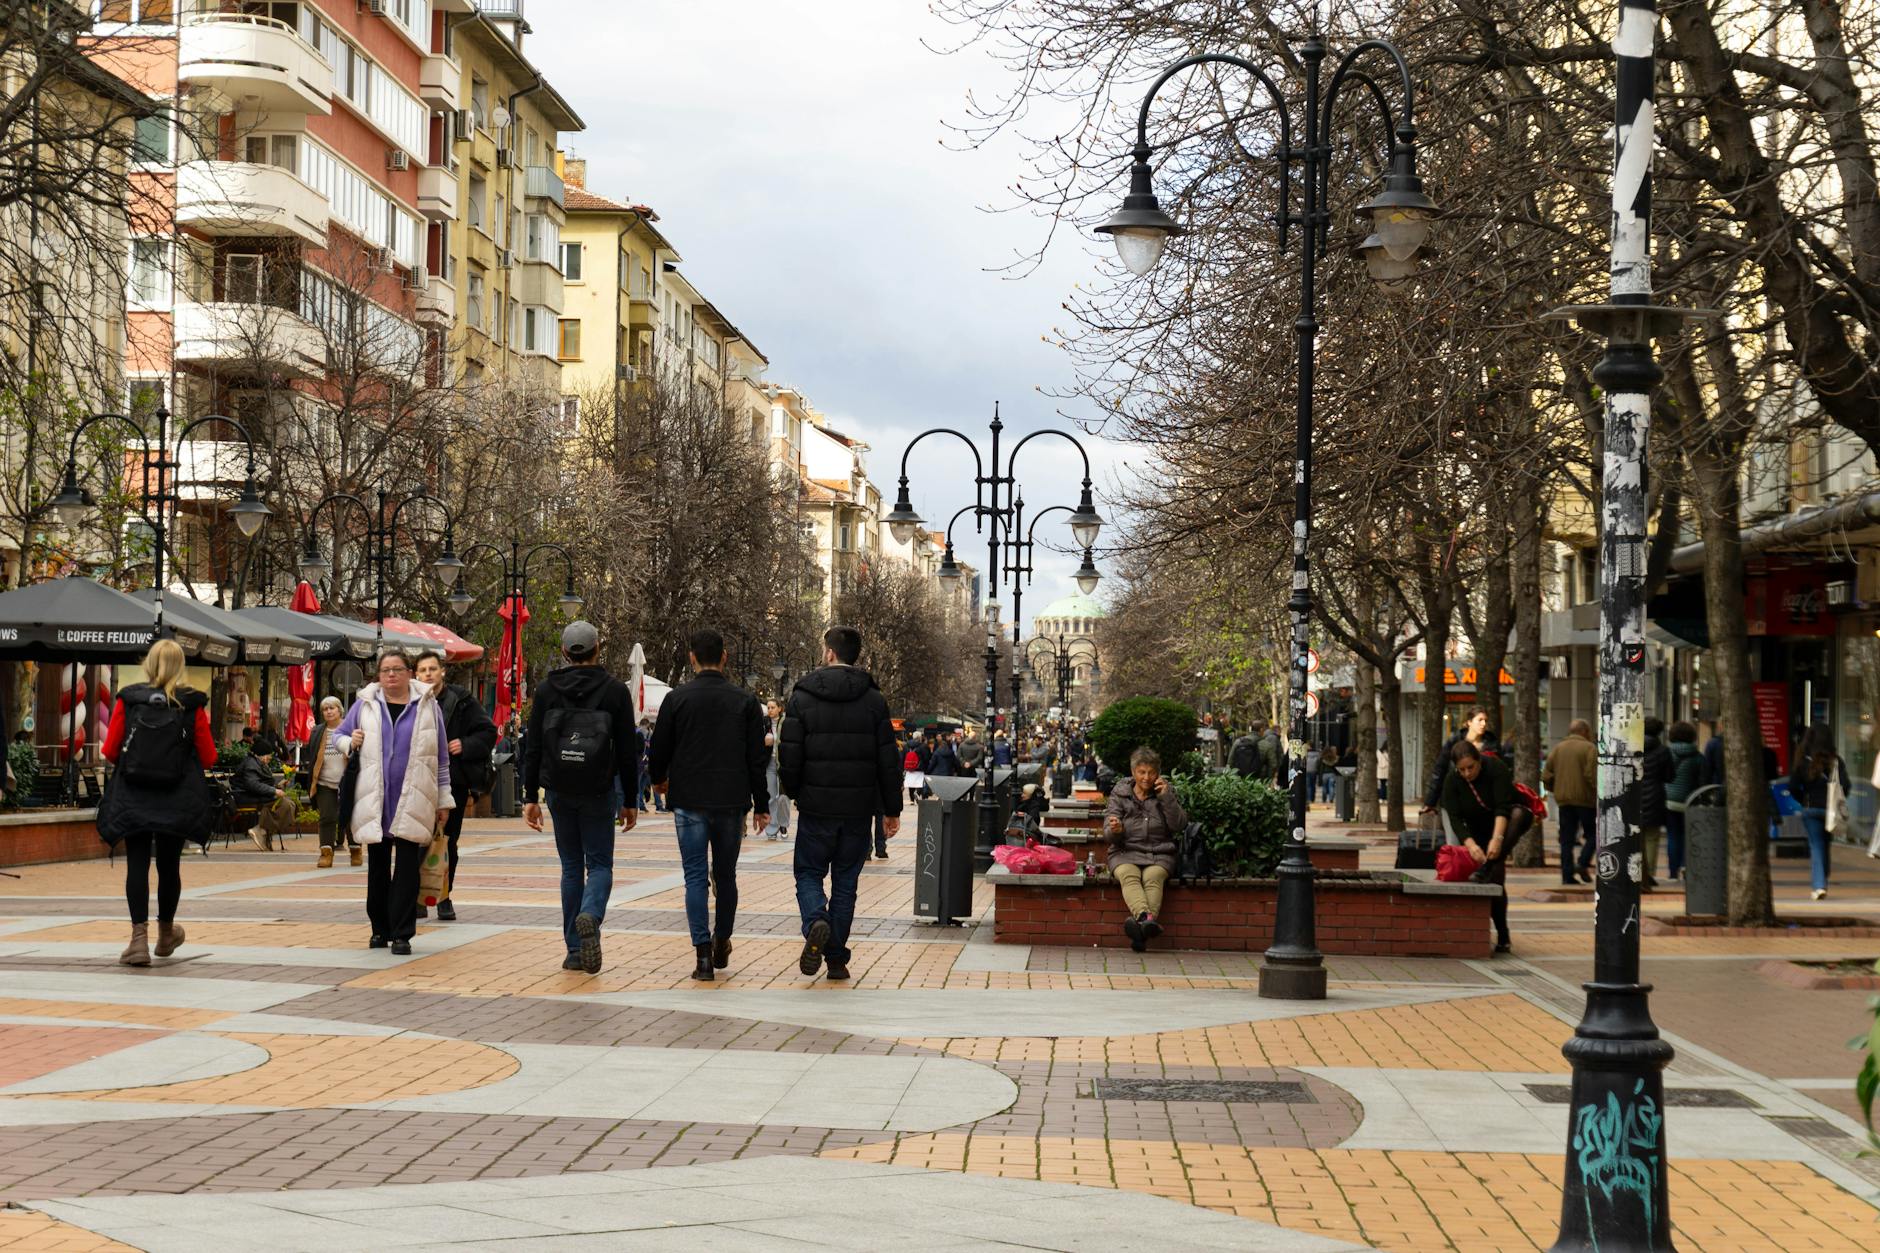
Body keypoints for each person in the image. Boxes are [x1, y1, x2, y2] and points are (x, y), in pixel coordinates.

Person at [778, 625, 902, 982]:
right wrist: (891, 809)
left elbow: (790, 754)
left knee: (808, 872)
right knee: (846, 883)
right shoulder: (874, 700)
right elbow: (886, 760)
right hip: (858, 810)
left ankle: (816, 918)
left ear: (830, 653)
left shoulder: (802, 697)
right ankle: (835, 958)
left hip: (817, 806)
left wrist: (794, 790)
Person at [648, 629, 768, 981]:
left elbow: (660, 748)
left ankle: (701, 955)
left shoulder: (677, 699)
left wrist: (658, 780)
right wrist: (761, 804)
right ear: (725, 657)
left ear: (692, 658)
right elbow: (755, 759)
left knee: (695, 877)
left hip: (688, 798)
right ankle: (722, 939)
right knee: (726, 876)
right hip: (731, 800)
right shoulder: (745, 702)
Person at [523, 622, 640, 972]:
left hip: (559, 789)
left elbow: (534, 747)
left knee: (571, 867)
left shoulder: (546, 690)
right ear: (597, 649)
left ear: (563, 652)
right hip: (598, 789)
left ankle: (575, 950)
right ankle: (590, 914)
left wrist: (530, 795)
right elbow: (627, 752)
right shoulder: (615, 691)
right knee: (600, 864)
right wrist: (630, 800)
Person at [98, 639, 217, 966]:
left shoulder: (129, 699)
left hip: (134, 795)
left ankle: (138, 941)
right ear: (180, 667)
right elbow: (208, 756)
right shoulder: (191, 704)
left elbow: (109, 751)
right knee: (169, 865)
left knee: (137, 863)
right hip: (176, 797)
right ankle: (166, 934)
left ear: (149, 663)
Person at [333, 650, 452, 956]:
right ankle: (379, 929)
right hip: (375, 798)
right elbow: (339, 735)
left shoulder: (428, 706)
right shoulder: (365, 704)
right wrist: (350, 742)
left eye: (397, 670)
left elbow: (441, 758)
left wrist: (444, 799)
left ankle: (402, 934)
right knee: (378, 866)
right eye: (385, 670)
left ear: (409, 673)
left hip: (415, 795)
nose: (390, 676)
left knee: (408, 868)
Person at [413, 652, 496, 921]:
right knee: (417, 841)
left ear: (442, 672)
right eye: (422, 669)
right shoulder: (411, 701)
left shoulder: (460, 700)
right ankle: (418, 897)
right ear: (416, 674)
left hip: (453, 782)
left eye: (432, 668)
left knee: (447, 841)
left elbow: (487, 731)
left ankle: (444, 897)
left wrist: (465, 744)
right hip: (417, 781)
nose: (428, 674)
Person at [1104, 747, 1188, 952]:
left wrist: (1166, 798)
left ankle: (1140, 928)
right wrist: (1116, 830)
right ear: (1133, 772)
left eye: (1151, 772)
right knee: (1128, 874)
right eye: (1142, 772)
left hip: (1159, 852)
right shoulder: (1120, 793)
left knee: (1153, 877)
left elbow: (1179, 825)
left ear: (1157, 773)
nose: (1146, 777)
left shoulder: (1165, 792)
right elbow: (1108, 834)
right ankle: (1145, 919)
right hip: (1125, 851)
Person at [1440, 739, 1514, 953]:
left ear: (1479, 760)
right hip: (1474, 832)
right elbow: (1454, 818)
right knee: (1483, 876)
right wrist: (1470, 845)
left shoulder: (1496, 768)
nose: (1466, 773)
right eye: (1461, 769)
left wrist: (1497, 840)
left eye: (1470, 767)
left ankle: (1502, 933)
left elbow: (1503, 808)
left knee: (1496, 876)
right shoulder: (1452, 781)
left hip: (1500, 827)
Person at [1788, 724, 1848, 900]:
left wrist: (1802, 800)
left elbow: (1792, 786)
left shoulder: (1803, 760)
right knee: (1825, 844)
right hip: (1830, 811)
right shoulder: (1836, 761)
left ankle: (1819, 885)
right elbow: (1846, 785)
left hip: (1811, 808)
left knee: (1816, 845)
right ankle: (1822, 877)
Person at [1543, 719, 1598, 884]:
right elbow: (1591, 775)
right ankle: (1582, 862)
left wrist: (1555, 789)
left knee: (1566, 840)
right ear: (1584, 732)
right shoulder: (1590, 748)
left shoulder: (1558, 749)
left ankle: (1567, 876)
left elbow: (1546, 775)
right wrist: (1597, 793)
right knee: (1594, 834)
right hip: (1585, 800)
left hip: (1564, 800)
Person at [308, 696, 359, 868]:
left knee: (352, 817)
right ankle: (326, 853)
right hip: (324, 782)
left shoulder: (352, 730)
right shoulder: (317, 732)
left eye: (332, 708)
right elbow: (313, 758)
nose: (329, 711)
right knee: (327, 817)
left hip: (349, 782)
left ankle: (355, 850)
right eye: (325, 709)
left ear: (339, 710)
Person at [1424, 706, 1494, 816]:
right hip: (1454, 798)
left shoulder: (1492, 745)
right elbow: (1440, 770)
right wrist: (1430, 802)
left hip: (1481, 803)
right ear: (1469, 722)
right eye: (1480, 720)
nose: (1484, 724)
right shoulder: (1454, 741)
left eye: (1486, 720)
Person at [233, 734, 296, 852]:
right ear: (260, 754)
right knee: (285, 804)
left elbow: (259, 784)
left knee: (289, 804)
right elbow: (252, 785)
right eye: (268, 755)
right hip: (246, 796)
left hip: (252, 795)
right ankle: (261, 830)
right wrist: (274, 790)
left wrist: (278, 786)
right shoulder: (251, 764)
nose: (270, 757)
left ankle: (263, 832)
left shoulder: (257, 763)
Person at [1662, 720, 1706, 882]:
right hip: (1690, 801)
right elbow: (1702, 781)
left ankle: (1673, 872)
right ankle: (1686, 867)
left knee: (1673, 836)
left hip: (1669, 802)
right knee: (1689, 836)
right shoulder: (1698, 757)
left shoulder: (1666, 753)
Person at [1637, 717, 1672, 889]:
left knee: (1636, 836)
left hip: (1636, 795)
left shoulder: (1633, 747)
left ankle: (1637, 871)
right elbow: (1669, 776)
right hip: (1655, 796)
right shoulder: (1663, 751)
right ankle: (1649, 873)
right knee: (1652, 836)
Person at [762, 698, 792, 840]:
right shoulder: (764, 722)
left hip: (784, 763)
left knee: (783, 797)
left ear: (780, 708)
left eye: (773, 707)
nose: (770, 710)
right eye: (768, 707)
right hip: (770, 764)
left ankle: (783, 824)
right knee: (771, 796)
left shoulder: (787, 723)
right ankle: (772, 829)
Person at [903, 737, 928, 804]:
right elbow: (926, 758)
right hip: (919, 768)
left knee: (911, 784)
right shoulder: (922, 747)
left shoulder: (906, 746)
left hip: (909, 768)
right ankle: (917, 793)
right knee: (919, 783)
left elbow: (903, 757)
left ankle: (911, 800)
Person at [1303, 742, 1323, 807]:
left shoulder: (1306, 753)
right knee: (1313, 785)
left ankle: (1309, 799)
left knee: (1308, 785)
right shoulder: (1317, 754)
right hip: (1314, 771)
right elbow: (1319, 763)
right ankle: (1312, 798)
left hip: (1307, 771)